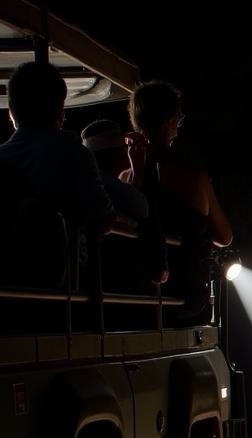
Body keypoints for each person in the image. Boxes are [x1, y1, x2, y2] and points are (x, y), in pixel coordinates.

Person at [0, 61, 115, 287]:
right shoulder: (74, 154)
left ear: (11, 110)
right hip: (60, 285)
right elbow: (103, 220)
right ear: (61, 111)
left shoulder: (3, 156)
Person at [128, 80, 232, 322]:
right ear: (171, 121)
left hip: (135, 292)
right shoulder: (193, 175)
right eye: (178, 118)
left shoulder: (127, 175)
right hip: (184, 296)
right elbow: (225, 237)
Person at [81, 119, 168, 287]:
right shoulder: (103, 181)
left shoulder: (95, 179)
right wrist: (139, 169)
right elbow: (142, 207)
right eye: (125, 147)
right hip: (110, 276)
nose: (128, 151)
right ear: (113, 152)